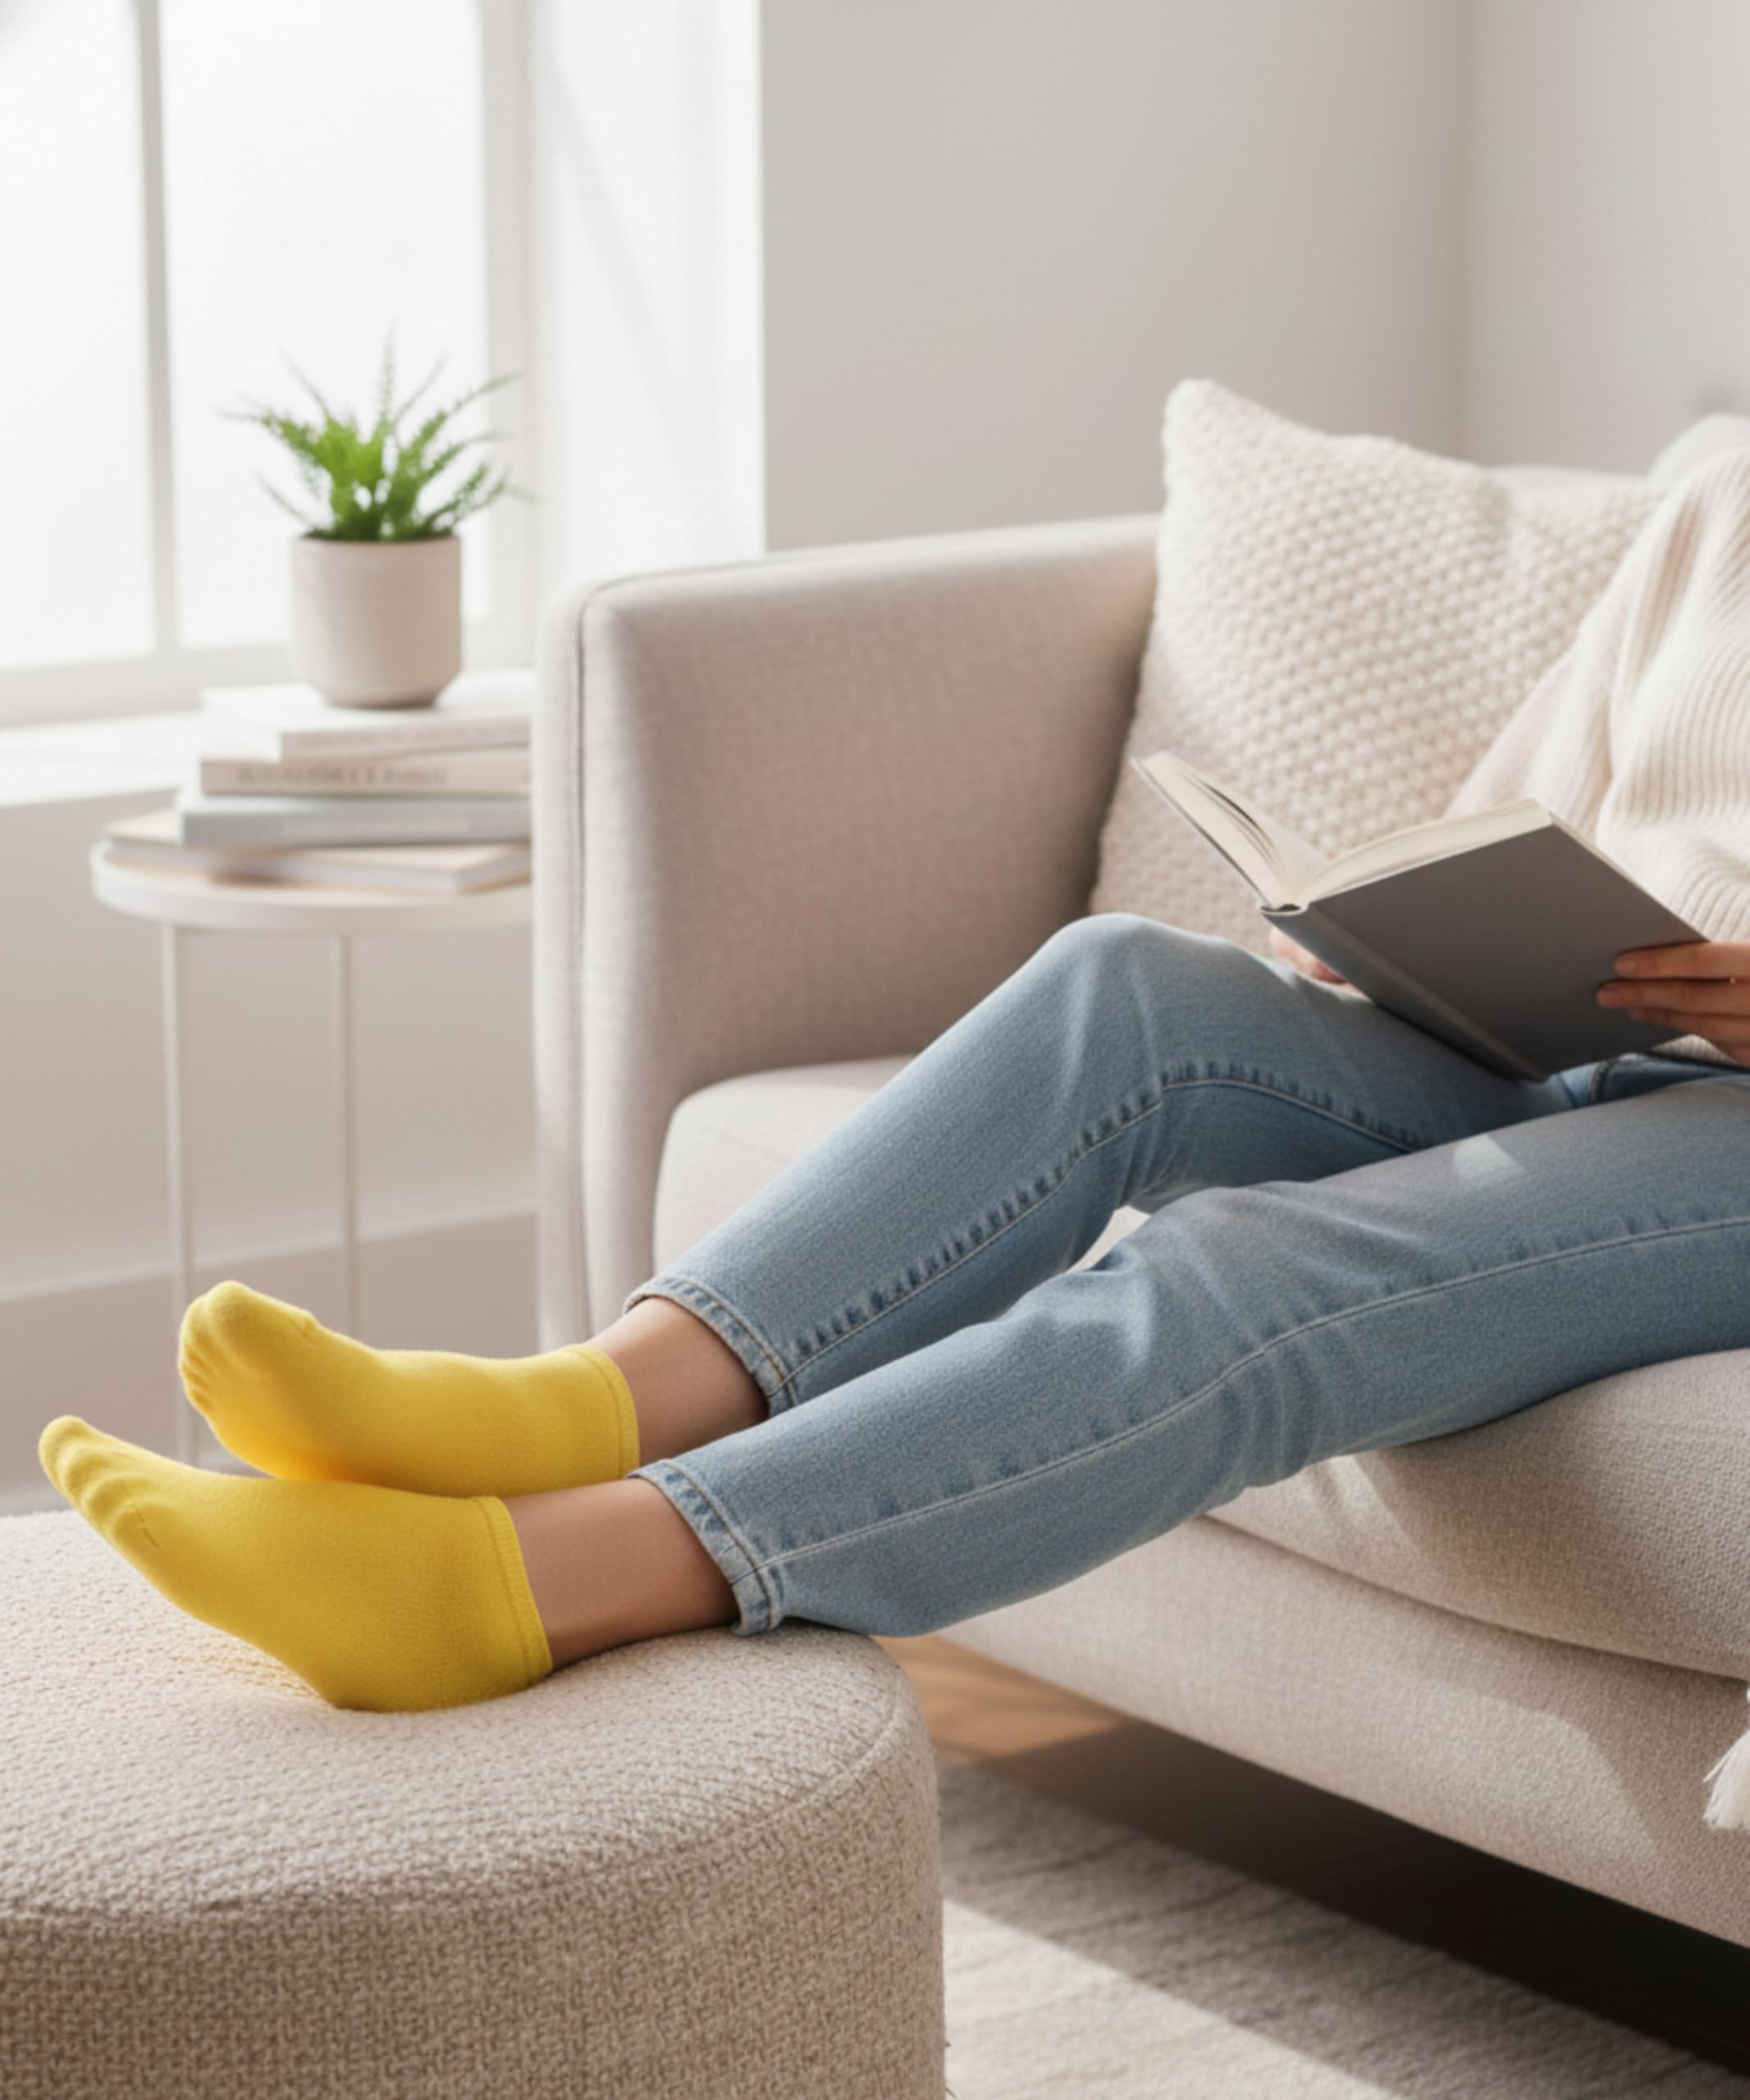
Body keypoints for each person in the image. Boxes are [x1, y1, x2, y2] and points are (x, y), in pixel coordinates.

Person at [40, 446, 1750, 1715]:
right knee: (1123, 994)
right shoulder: (1716, 494)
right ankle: (580, 1402)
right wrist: (1379, 923)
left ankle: (534, 1578)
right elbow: (1512, 802)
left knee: (1247, 1274)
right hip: (1575, 1036)